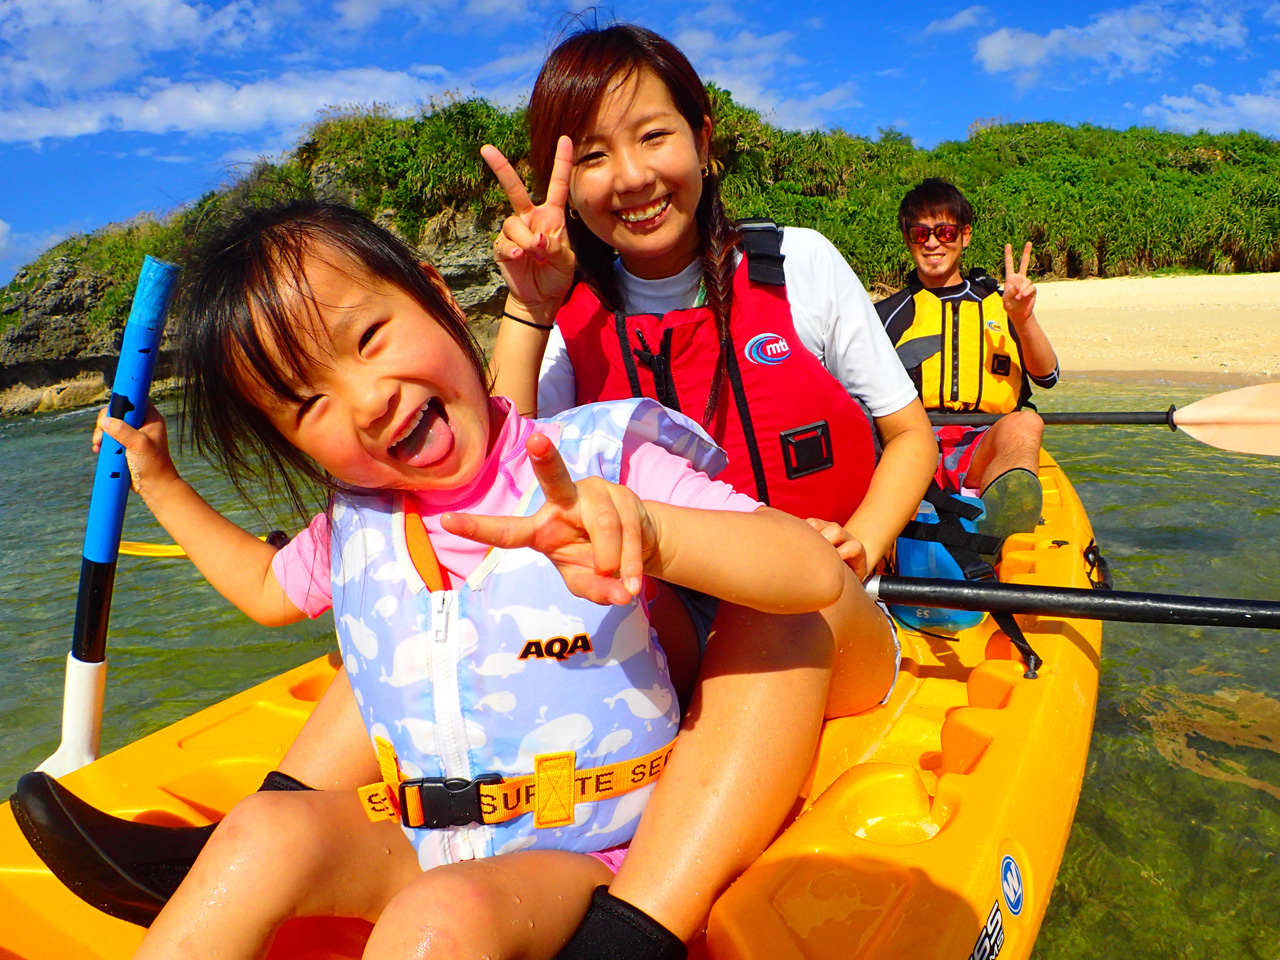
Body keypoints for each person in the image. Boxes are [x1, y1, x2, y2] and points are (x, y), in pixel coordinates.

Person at [95, 199, 859, 959]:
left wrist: (652, 534)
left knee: (438, 921)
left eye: (368, 336)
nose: (367, 400)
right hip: (428, 838)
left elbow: (808, 571)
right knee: (258, 831)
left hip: (588, 851)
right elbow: (266, 588)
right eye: (308, 402)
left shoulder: (598, 458)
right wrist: (160, 481)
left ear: (436, 295)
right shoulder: (361, 522)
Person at [478, 23, 937, 955]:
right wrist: (529, 304)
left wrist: (863, 537)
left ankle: (635, 928)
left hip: (825, 612)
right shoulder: (569, 319)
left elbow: (908, 439)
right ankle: (284, 820)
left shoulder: (796, 265)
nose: (633, 177)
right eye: (594, 156)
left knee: (774, 594)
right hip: (665, 632)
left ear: (703, 135)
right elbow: (494, 485)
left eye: (654, 136)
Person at [875, 178, 1060, 538]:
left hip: (983, 442)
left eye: (944, 231)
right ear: (907, 238)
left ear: (965, 235)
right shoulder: (887, 315)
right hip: (913, 442)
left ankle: (999, 534)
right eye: (919, 233)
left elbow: (1047, 376)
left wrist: (1023, 319)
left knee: (1026, 424)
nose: (932, 243)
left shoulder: (1002, 303)